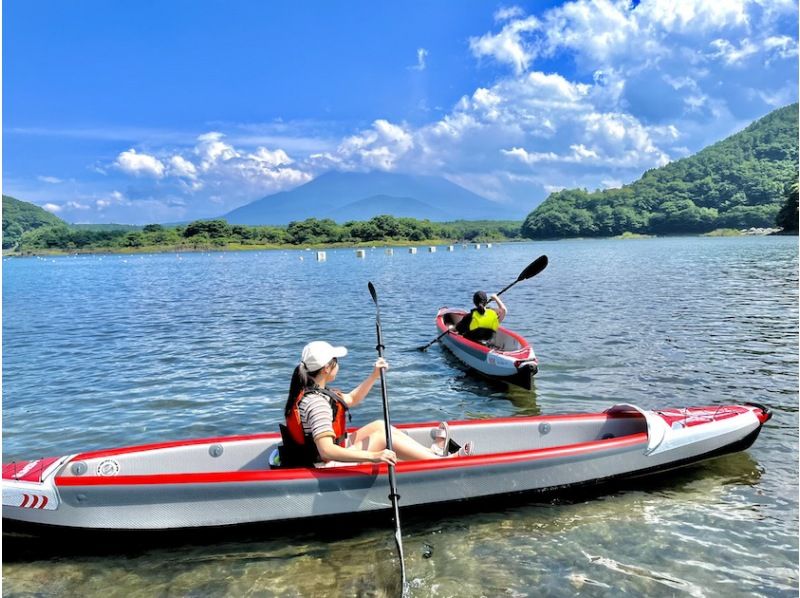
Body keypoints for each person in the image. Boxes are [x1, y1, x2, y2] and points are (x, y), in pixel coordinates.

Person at [279, 341, 473, 467]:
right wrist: (375, 456)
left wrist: (374, 375)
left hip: (330, 453)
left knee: (379, 425)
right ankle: (444, 464)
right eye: (336, 361)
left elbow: (352, 399)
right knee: (381, 437)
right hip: (326, 463)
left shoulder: (314, 390)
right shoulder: (317, 404)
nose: (338, 365)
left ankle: (432, 455)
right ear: (326, 368)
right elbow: (326, 450)